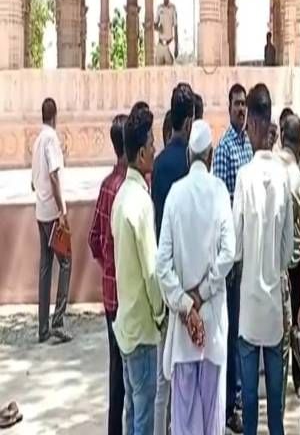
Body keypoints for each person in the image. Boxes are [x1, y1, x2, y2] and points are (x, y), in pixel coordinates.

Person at [156, 120, 236, 435]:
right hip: (213, 323)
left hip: (183, 327)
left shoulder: (176, 195)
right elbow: (229, 252)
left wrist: (184, 303)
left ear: (190, 156)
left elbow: (162, 263)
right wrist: (203, 293)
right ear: (211, 155)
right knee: (211, 419)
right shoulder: (219, 193)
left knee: (185, 419)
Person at [232, 84, 293, 435]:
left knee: (250, 406)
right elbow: (288, 249)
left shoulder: (244, 177)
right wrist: (272, 263)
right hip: (273, 306)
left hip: (249, 305)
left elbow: (236, 249)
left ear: (253, 123)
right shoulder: (284, 178)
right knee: (276, 405)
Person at [112, 101, 164, 435]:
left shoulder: (121, 196)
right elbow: (151, 271)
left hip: (125, 325)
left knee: (132, 413)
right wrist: (162, 314)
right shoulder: (140, 203)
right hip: (143, 330)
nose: (155, 149)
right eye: (152, 145)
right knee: (143, 418)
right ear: (142, 154)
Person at [151, 83, 197, 434]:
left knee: (165, 369)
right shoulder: (190, 163)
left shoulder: (159, 163)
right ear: (191, 119)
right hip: (194, 279)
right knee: (192, 364)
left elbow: (158, 221)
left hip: (168, 277)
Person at [212, 84, 251, 434]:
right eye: (237, 104)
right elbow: (222, 204)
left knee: (241, 328)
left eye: (244, 104)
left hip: (248, 250)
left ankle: (237, 398)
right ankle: (230, 403)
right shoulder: (224, 149)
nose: (241, 109)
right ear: (229, 107)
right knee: (232, 328)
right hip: (232, 255)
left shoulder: (247, 144)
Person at [90, 114, 130, 435]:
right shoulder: (130, 189)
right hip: (128, 295)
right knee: (136, 374)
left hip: (110, 295)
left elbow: (93, 239)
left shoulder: (106, 187)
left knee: (116, 368)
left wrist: (107, 265)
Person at [32, 97, 71, 344]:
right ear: (55, 116)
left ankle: (43, 326)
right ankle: (57, 318)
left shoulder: (37, 140)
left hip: (39, 210)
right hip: (52, 213)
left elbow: (33, 178)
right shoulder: (51, 139)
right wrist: (62, 210)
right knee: (66, 261)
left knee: (46, 266)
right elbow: (54, 176)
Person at [278, 112, 300, 396]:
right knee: (297, 324)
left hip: (275, 266)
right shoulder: (298, 178)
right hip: (296, 265)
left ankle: (281, 376)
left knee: (280, 330)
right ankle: (299, 380)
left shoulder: (270, 171)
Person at [155, 0, 178, 65]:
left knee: (169, 73)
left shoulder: (172, 8)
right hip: (160, 44)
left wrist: (176, 46)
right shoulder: (159, 8)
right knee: (158, 72)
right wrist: (158, 28)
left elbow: (175, 27)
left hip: (169, 44)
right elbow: (155, 25)